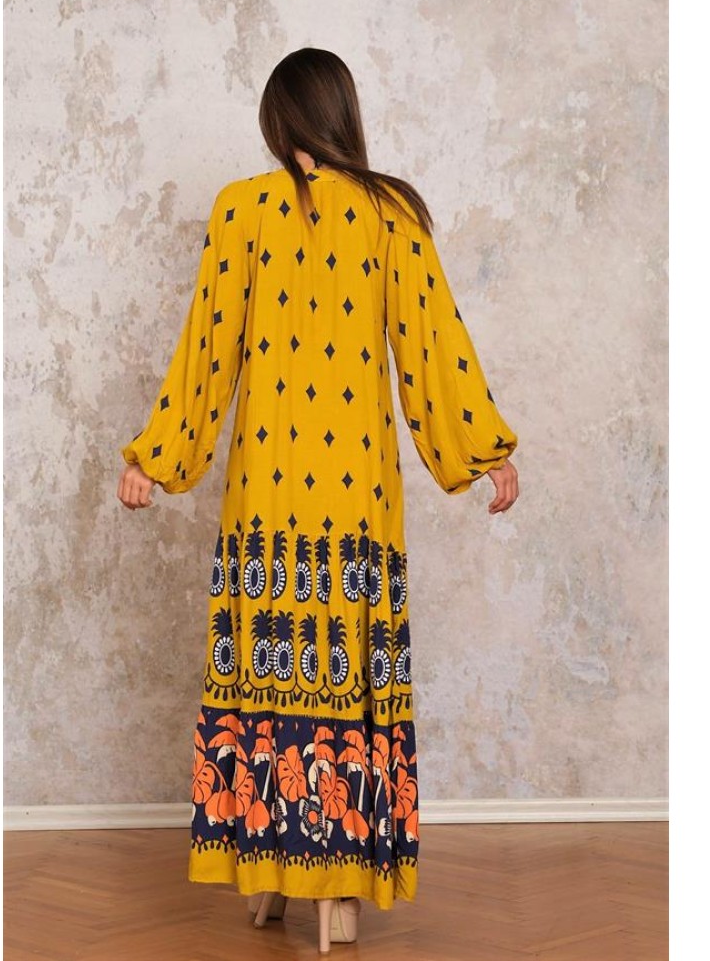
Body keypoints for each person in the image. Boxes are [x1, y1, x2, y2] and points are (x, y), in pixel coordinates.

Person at [117, 48, 519, 953]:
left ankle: (272, 865)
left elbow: (205, 353)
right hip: (355, 507)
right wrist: (485, 453)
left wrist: (156, 458)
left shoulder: (242, 210)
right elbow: (435, 350)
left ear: (279, 119)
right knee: (344, 674)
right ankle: (334, 882)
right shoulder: (391, 214)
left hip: (267, 504)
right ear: (340, 114)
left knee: (270, 671)